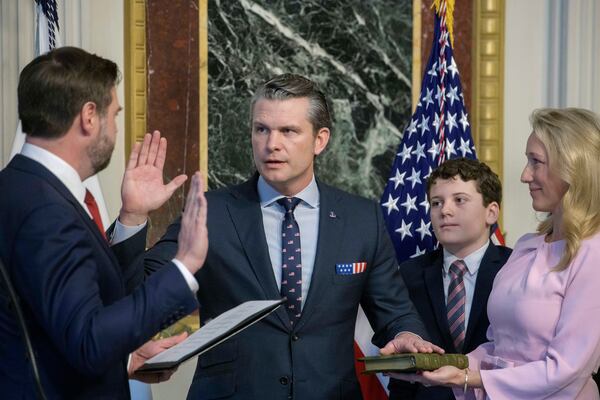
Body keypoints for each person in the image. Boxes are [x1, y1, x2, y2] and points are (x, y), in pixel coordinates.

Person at [140, 73, 442, 400]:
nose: (272, 144)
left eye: (288, 131)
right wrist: (133, 217)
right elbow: (143, 287)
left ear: (320, 140)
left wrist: (408, 335)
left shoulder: (361, 219)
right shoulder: (211, 211)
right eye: (262, 130)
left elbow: (394, 312)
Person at [0, 46, 208, 399]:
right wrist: (184, 267)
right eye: (114, 114)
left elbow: (52, 332)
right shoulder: (47, 211)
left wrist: (133, 216)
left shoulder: (16, 186)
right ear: (89, 116)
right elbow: (89, 341)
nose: (114, 128)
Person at [391, 107, 600, 399]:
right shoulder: (528, 246)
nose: (525, 175)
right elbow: (497, 347)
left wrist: (468, 377)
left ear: (573, 166)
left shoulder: (594, 252)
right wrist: (440, 367)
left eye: (535, 162)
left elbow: (566, 369)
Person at [388, 158, 512, 400]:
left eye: (459, 200)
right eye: (436, 202)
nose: (445, 210)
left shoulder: (515, 268)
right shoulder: (410, 273)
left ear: (491, 212)